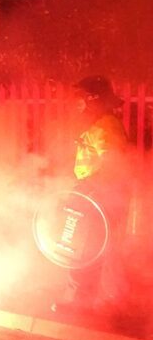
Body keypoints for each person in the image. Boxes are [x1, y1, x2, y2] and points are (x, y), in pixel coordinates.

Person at [51, 75, 130, 315]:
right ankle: (97, 301)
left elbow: (112, 163)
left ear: (93, 100)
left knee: (85, 247)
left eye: (82, 100)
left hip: (100, 197)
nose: (78, 105)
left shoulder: (106, 126)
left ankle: (85, 302)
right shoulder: (99, 126)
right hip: (95, 195)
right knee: (89, 247)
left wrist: (89, 189)